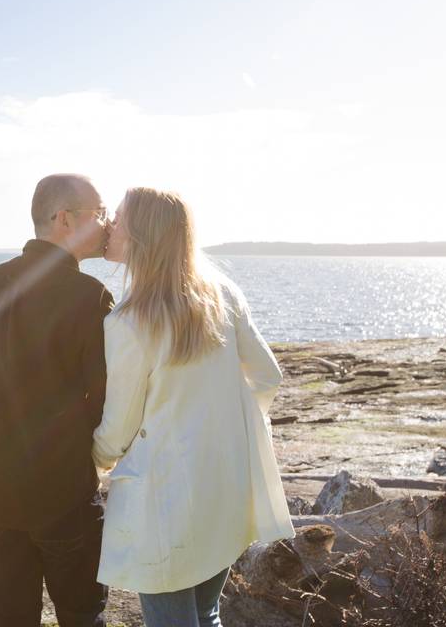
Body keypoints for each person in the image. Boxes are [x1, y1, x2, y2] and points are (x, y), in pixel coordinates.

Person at [92, 187, 296, 627]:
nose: (109, 225)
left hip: (163, 497)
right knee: (206, 612)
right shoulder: (222, 292)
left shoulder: (128, 321)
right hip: (224, 482)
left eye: (120, 218)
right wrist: (225, 428)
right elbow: (268, 376)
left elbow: (118, 428)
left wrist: (90, 461)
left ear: (142, 237)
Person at [0, 173, 115, 626]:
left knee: (10, 617)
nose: (107, 224)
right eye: (99, 214)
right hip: (61, 496)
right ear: (65, 219)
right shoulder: (89, 296)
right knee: (82, 615)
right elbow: (107, 400)